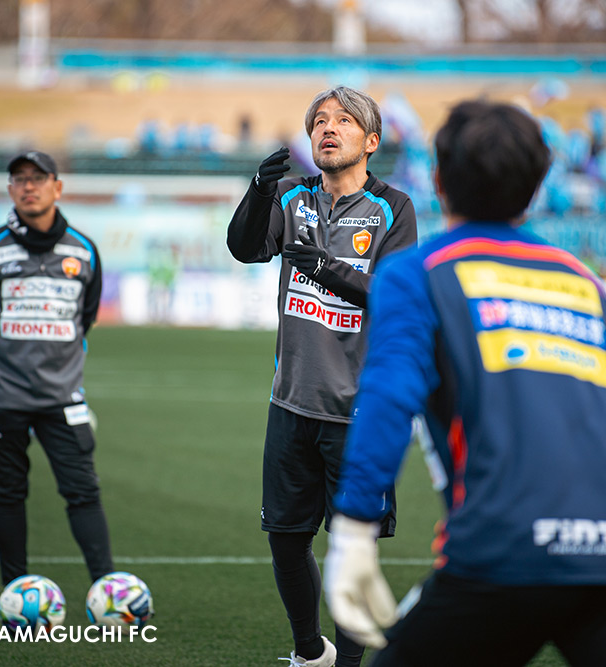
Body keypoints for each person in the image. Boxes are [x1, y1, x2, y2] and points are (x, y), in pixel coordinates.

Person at [324, 100, 606, 666]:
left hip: (500, 551)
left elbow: (388, 398)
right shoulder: (579, 280)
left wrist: (353, 531)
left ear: (438, 181)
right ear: (536, 188)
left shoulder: (420, 272)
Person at [226, 86, 418, 667]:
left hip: (358, 414)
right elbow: (244, 248)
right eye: (318, 122)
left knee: (351, 551)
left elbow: (395, 296)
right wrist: (258, 191)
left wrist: (327, 270)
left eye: (343, 121)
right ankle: (311, 653)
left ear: (372, 141)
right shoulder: (292, 196)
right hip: (290, 402)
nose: (327, 129)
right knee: (286, 541)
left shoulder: (393, 208)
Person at [0, 151, 114, 588]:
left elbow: (85, 317)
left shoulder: (84, 251)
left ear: (56, 187)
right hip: (1, 397)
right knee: (8, 495)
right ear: (10, 189)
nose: (29, 186)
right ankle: (15, 591)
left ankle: (107, 590)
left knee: (83, 491)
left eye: (38, 178)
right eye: (20, 179)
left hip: (63, 397)